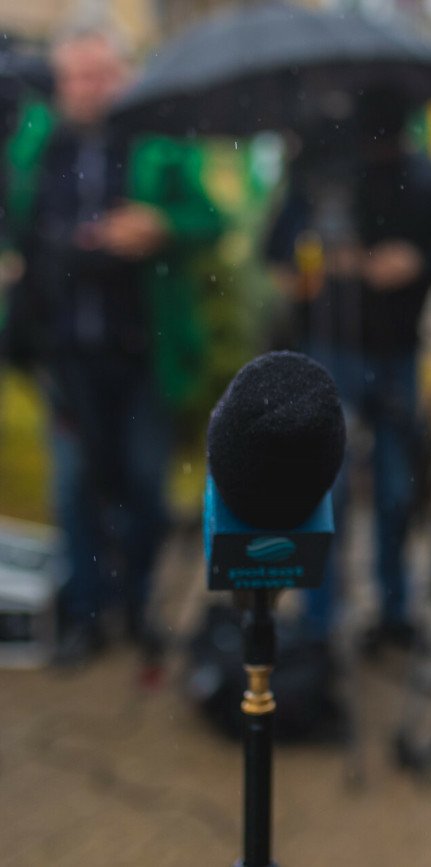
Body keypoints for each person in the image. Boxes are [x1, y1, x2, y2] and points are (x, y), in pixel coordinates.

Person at [0, 24, 223, 666]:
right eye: (73, 76)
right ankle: (85, 611)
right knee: (74, 487)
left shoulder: (158, 144)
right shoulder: (39, 145)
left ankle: (136, 602)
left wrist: (160, 227)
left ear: (124, 76)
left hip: (142, 350)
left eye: (98, 75)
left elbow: (212, 219)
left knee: (144, 487)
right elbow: (21, 226)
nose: (85, 89)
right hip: (65, 348)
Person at [265, 90, 431, 649]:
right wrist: (325, 265)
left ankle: (393, 611)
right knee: (330, 486)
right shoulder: (320, 176)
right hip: (331, 349)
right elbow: (277, 256)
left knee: (397, 489)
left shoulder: (427, 178)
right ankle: (320, 619)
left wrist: (413, 261)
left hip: (399, 350)